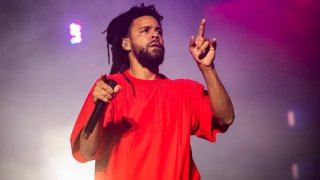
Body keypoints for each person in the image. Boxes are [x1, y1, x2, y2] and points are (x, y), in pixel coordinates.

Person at [70, 4, 234, 180]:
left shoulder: (184, 91)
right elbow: (87, 152)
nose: (155, 34)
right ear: (126, 44)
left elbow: (226, 117)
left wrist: (207, 68)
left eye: (158, 31)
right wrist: (99, 110)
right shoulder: (109, 88)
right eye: (145, 30)